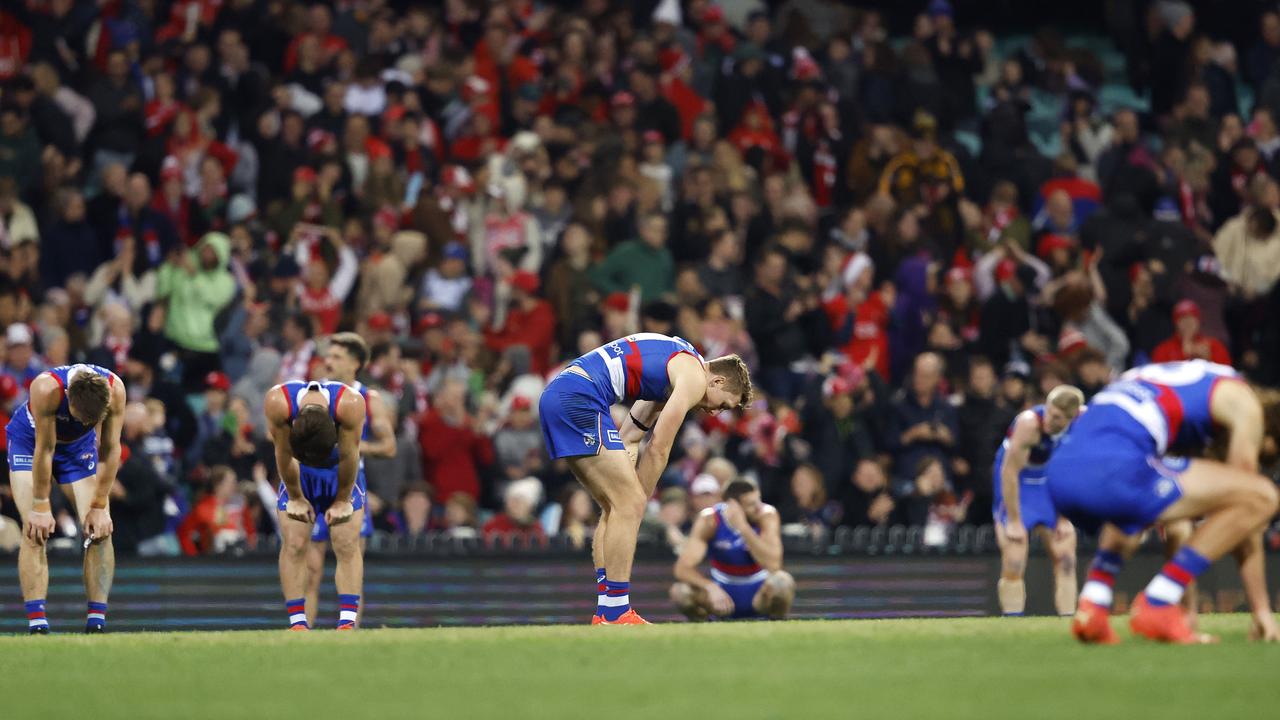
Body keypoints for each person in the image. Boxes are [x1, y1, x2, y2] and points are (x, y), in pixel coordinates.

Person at [1049, 360, 1280, 644]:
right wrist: (1261, 610)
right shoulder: (1244, 402)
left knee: (1140, 509)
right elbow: (1247, 516)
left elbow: (1174, 517)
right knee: (1261, 496)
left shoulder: (1169, 381)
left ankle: (1093, 604)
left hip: (1060, 470)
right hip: (1113, 471)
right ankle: (1158, 602)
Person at [538, 333, 752, 625]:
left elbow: (631, 436)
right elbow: (660, 446)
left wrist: (631, 500)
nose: (715, 412)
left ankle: (606, 610)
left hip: (563, 394)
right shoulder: (694, 378)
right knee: (629, 503)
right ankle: (616, 612)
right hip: (579, 398)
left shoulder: (673, 366)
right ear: (717, 381)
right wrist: (638, 502)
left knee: (616, 505)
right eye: (723, 404)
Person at [7, 364, 125, 633]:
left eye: (91, 420)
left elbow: (110, 450)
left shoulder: (116, 389)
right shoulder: (46, 388)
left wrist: (98, 506)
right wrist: (40, 505)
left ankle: (96, 622)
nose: (85, 422)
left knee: (100, 529)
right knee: (35, 529)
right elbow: (45, 450)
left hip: (78, 447)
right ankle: (38, 623)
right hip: (31, 441)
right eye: (81, 417)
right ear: (70, 398)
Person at [301, 333, 396, 628]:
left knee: (350, 561)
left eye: (337, 357)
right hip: (313, 482)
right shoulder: (312, 393)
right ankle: (299, 636)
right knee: (311, 569)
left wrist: (350, 445)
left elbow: (389, 446)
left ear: (356, 363)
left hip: (350, 484)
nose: (328, 361)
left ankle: (349, 633)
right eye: (328, 356)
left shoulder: (369, 399)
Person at [264, 377, 366, 630]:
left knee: (346, 542)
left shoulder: (350, 404)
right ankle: (298, 624)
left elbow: (349, 456)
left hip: (340, 473)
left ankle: (347, 624)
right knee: (295, 543)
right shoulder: (278, 402)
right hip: (298, 474)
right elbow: (283, 455)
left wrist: (342, 499)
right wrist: (296, 497)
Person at [992, 385, 1085, 617]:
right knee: (1015, 555)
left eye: (1059, 419)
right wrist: (1014, 520)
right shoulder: (1029, 424)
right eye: (1051, 413)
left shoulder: (1081, 424)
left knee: (1065, 555)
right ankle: (1012, 622)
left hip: (1047, 479)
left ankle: (1068, 621)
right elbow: (1009, 472)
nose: (1051, 421)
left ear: (1071, 418)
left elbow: (1072, 471)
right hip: (1017, 479)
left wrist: (1064, 517)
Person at [670, 478, 795, 621]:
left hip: (758, 594)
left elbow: (774, 565)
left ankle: (776, 626)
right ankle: (704, 629)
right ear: (733, 505)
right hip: (723, 592)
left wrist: (743, 528)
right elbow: (682, 569)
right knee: (680, 592)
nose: (759, 507)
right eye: (751, 504)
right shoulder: (710, 520)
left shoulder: (767, 515)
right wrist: (710, 587)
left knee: (783, 582)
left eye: (758, 500)